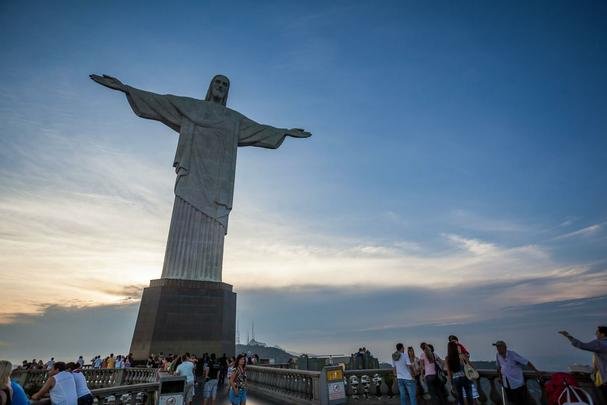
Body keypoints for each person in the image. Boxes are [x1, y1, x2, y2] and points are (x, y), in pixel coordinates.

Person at [559, 326, 607, 399]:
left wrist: (568, 336)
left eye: (597, 332)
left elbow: (582, 345)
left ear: (602, 334)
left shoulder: (599, 343)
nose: (595, 334)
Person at [493, 340, 540, 405]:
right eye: (497, 347)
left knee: (522, 402)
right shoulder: (498, 355)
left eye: (499, 347)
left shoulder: (512, 354)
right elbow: (499, 367)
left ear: (505, 347)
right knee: (512, 401)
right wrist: (500, 377)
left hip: (517, 383)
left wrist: (536, 371)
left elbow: (526, 362)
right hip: (507, 383)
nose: (498, 349)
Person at [445, 341, 472, 405]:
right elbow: (470, 365)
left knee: (460, 397)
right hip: (464, 377)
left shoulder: (447, 358)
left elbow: (449, 372)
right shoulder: (461, 356)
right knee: (469, 395)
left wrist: (451, 384)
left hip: (455, 378)